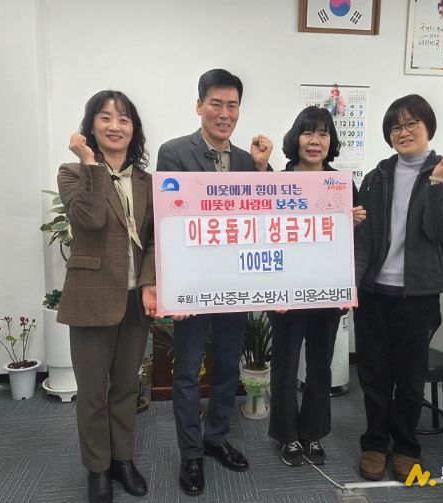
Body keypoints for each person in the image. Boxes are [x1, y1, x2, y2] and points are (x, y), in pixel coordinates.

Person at [156, 68, 273, 496]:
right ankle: (191, 453)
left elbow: (265, 213)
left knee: (226, 365)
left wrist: (262, 169)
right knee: (188, 370)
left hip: (234, 281)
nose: (225, 114)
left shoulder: (245, 160)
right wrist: (170, 286)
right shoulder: (174, 153)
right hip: (191, 284)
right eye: (216, 104)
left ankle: (216, 438)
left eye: (232, 105)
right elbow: (168, 219)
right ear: (199, 106)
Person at [353, 94, 443, 482]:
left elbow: (439, 229)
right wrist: (355, 284)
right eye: (395, 127)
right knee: (373, 373)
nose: (403, 132)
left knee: (410, 376)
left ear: (427, 126)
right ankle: (374, 443)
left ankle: (405, 447)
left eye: (411, 124)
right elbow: (365, 236)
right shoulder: (377, 177)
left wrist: (436, 182)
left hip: (418, 295)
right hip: (374, 292)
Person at [57, 90, 156, 503]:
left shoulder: (147, 182)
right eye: (105, 117)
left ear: (134, 129)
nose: (115, 126)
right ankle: (97, 468)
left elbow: (155, 240)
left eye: (124, 119)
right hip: (91, 297)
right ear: (90, 126)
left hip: (136, 300)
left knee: (127, 388)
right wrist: (91, 165)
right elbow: (91, 219)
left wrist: (149, 283)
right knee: (93, 391)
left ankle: (123, 460)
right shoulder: (72, 173)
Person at [268, 106, 365, 467]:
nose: (315, 141)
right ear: (296, 138)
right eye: (308, 132)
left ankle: (312, 433)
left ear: (330, 141)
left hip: (327, 288)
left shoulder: (342, 184)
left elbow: (351, 243)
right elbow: (264, 233)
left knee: (321, 365)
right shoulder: (278, 181)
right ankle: (287, 435)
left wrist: (353, 222)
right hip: (286, 290)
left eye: (323, 134)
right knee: (285, 365)